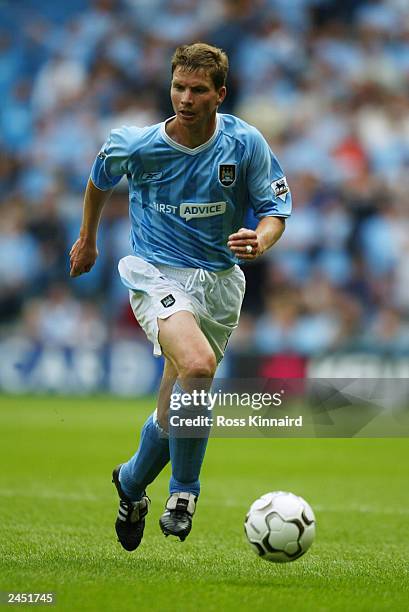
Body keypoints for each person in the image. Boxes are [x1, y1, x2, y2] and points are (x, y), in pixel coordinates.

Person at [69, 42, 292, 551]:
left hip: (219, 284)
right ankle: (184, 494)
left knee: (176, 415)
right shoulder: (137, 144)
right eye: (178, 87)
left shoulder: (245, 143)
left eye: (197, 90)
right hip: (155, 273)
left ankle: (129, 483)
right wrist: (88, 239)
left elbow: (275, 208)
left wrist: (261, 239)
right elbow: (99, 178)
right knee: (197, 366)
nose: (185, 98)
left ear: (220, 95)